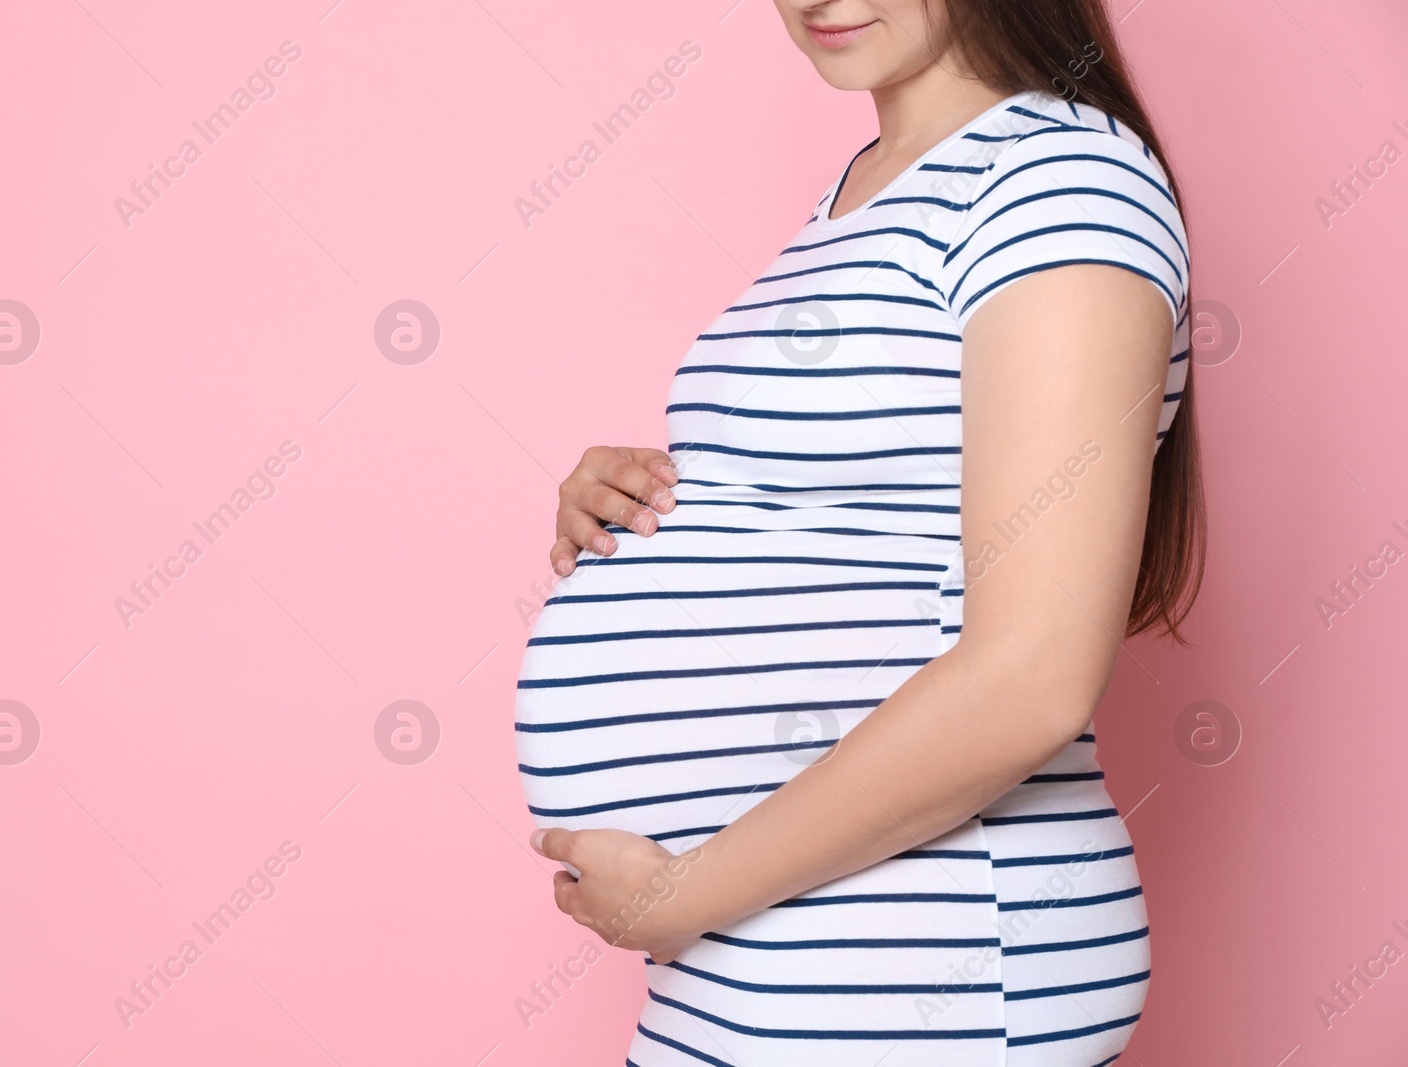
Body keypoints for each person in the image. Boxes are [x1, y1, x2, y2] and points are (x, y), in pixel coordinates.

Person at [514, 1, 1204, 1062]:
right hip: (771, 959)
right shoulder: (868, 186)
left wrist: (682, 892)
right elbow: (868, 516)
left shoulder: (1056, 183)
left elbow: (1032, 673)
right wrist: (654, 504)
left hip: (928, 964)